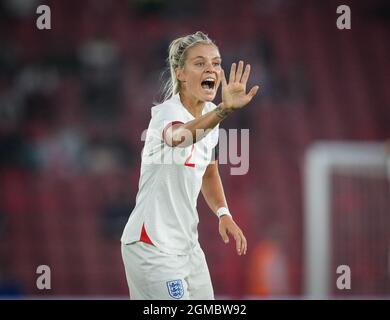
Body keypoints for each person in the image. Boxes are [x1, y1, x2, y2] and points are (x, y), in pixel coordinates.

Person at [121, 31, 259, 300]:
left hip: (188, 249)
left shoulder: (209, 114)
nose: (211, 69)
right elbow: (180, 137)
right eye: (199, 63)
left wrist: (223, 213)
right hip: (152, 245)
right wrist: (224, 111)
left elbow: (209, 171)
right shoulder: (166, 113)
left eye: (216, 63)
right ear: (180, 73)